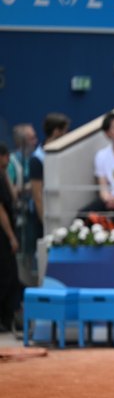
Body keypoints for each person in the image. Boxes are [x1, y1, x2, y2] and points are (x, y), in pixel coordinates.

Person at [29, 112, 70, 247]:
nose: (67, 134)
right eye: (65, 131)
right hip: (44, 218)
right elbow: (37, 195)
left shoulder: (63, 154)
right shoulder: (37, 159)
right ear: (57, 132)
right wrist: (45, 223)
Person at [0, 142, 20, 333]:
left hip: (5, 234)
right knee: (6, 276)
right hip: (2, 235)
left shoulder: (2, 176)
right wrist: (11, 237)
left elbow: (13, 197)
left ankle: (7, 318)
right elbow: (1, 211)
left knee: (11, 276)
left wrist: (5, 174)